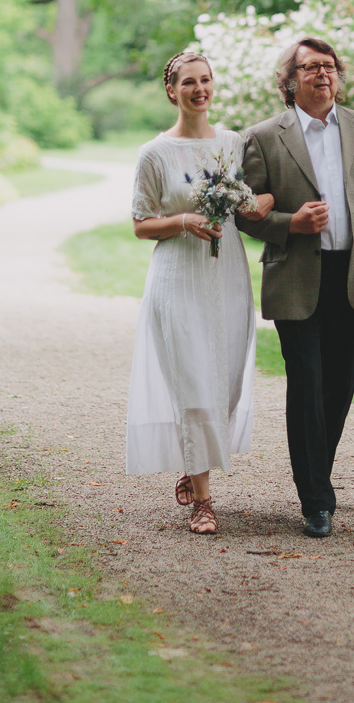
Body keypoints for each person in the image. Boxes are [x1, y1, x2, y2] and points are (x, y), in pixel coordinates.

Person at [236, 37, 354, 538]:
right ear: (291, 80)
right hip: (296, 278)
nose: (322, 75)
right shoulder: (264, 136)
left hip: (353, 277)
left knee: (340, 383)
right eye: (310, 67)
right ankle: (316, 501)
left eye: (329, 66)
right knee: (306, 384)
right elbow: (246, 216)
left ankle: (316, 477)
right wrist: (292, 223)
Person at [125, 51, 272, 534]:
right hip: (177, 275)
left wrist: (251, 203)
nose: (199, 89)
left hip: (226, 273)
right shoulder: (155, 153)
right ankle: (205, 503)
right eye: (189, 82)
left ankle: (195, 464)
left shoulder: (232, 143)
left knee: (224, 379)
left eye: (206, 80)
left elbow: (250, 202)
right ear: (172, 91)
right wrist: (185, 220)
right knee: (192, 379)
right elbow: (142, 225)